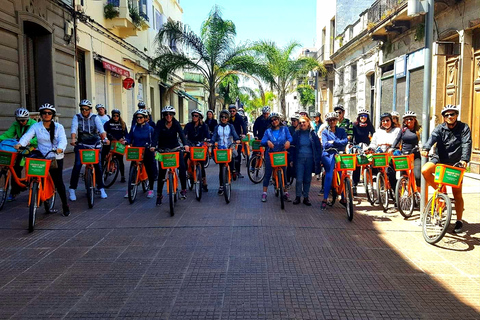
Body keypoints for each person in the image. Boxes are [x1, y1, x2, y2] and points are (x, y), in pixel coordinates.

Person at [421, 105, 472, 233]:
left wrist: (464, 160)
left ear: (456, 115)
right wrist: (426, 148)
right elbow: (432, 137)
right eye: (447, 115)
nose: (450, 117)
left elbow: (467, 143)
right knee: (425, 170)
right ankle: (442, 193)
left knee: (457, 193)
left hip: (456, 163)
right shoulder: (440, 128)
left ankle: (459, 221)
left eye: (452, 114)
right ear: (444, 117)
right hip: (439, 159)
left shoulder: (464, 128)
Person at [15, 104, 70, 216]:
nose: (46, 115)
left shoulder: (59, 127)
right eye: (44, 113)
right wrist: (20, 144)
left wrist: (60, 148)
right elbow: (27, 136)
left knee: (58, 182)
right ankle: (37, 190)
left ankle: (65, 205)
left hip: (55, 156)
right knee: (34, 172)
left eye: (49, 113)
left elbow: (63, 140)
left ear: (52, 115)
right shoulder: (36, 126)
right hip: (42, 155)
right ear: (41, 115)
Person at [69, 99, 108, 201]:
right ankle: (72, 189)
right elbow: (74, 129)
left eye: (86, 109)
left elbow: (101, 129)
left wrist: (105, 139)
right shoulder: (77, 117)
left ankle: (101, 188)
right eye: (82, 109)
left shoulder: (95, 117)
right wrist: (73, 139)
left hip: (95, 143)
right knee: (77, 165)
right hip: (82, 143)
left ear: (90, 109)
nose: (84, 111)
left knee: (98, 165)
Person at [152, 106, 189, 205]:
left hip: (175, 148)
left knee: (182, 167)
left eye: (170, 114)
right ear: (163, 115)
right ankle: (159, 195)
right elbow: (155, 135)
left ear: (173, 115)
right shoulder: (159, 123)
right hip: (161, 150)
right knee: (161, 172)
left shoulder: (176, 123)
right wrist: (153, 145)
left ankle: (184, 189)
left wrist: (185, 145)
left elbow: (181, 134)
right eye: (166, 114)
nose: (168, 116)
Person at [0, 108, 37, 201]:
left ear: (27, 119)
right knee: (15, 166)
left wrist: (30, 142)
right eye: (19, 120)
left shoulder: (34, 124)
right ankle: (15, 191)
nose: (21, 123)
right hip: (20, 147)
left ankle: (32, 183)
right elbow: (8, 134)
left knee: (28, 164)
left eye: (23, 120)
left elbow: (38, 138)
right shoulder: (16, 124)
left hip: (32, 147)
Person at [260, 112, 292, 202]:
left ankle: (285, 192)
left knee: (284, 172)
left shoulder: (285, 129)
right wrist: (267, 142)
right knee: (268, 173)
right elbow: (262, 141)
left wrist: (288, 142)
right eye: (272, 120)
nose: (274, 121)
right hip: (271, 154)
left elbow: (290, 138)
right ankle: (264, 193)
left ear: (279, 120)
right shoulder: (268, 131)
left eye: (276, 119)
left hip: (281, 153)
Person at [124, 109, 156, 199]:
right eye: (137, 117)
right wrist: (126, 141)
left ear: (146, 118)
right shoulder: (134, 128)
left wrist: (152, 147)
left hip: (147, 150)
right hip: (136, 150)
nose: (138, 119)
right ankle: (130, 188)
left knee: (150, 169)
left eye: (141, 117)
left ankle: (151, 189)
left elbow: (154, 140)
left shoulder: (150, 129)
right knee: (132, 169)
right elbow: (129, 137)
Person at [290, 116, 322, 205]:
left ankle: (306, 197)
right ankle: (298, 197)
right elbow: (292, 147)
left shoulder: (313, 134)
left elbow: (318, 147)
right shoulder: (296, 134)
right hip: (299, 159)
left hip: (310, 159)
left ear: (308, 123)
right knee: (299, 179)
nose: (302, 124)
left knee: (307, 179)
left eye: (304, 122)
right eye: (300, 123)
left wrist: (319, 159)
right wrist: (291, 159)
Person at [368, 112, 401, 194]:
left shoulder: (397, 130)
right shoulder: (378, 132)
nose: (385, 123)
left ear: (391, 121)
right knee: (371, 162)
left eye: (387, 120)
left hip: (391, 154)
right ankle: (379, 182)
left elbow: (399, 142)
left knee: (390, 172)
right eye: (383, 121)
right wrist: (370, 148)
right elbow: (373, 143)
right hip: (381, 154)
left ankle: (396, 193)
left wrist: (391, 146)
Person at [321, 112, 348, 210]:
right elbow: (325, 145)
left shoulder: (341, 130)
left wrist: (334, 142)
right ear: (328, 122)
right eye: (330, 120)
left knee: (342, 174)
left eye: (334, 120)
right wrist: (338, 144)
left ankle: (344, 197)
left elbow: (345, 141)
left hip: (339, 154)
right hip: (328, 154)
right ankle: (325, 199)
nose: (332, 122)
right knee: (329, 174)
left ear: (337, 121)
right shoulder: (325, 132)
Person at [210, 110, 240, 195]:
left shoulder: (231, 126)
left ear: (228, 118)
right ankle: (221, 186)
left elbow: (234, 134)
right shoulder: (217, 127)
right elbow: (214, 136)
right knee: (221, 167)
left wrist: (237, 139)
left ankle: (233, 170)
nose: (223, 118)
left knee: (232, 158)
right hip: (220, 148)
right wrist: (211, 142)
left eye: (225, 117)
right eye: (222, 117)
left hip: (229, 146)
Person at [392, 111, 421, 186]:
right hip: (404, 155)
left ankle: (418, 193)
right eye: (406, 119)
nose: (409, 121)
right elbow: (397, 139)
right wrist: (392, 148)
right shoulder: (403, 130)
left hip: (415, 155)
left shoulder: (419, 130)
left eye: (411, 119)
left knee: (417, 176)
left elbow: (424, 140)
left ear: (414, 120)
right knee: (403, 177)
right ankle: (403, 194)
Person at [184, 109, 210, 192]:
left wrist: (208, 141)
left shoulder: (204, 126)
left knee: (201, 164)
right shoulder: (188, 125)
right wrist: (184, 141)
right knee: (185, 157)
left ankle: (204, 182)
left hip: (200, 145)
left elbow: (207, 135)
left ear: (200, 117)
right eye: (193, 116)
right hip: (191, 144)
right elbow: (184, 134)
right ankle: (188, 172)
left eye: (196, 116)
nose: (194, 117)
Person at [352, 109, 375, 195]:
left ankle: (371, 180)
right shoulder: (355, 125)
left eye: (365, 116)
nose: (363, 118)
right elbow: (352, 135)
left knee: (370, 162)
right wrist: (351, 144)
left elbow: (374, 134)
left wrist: (372, 144)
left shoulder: (369, 125)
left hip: (366, 146)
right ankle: (354, 185)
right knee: (357, 166)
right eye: (361, 116)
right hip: (357, 146)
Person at [103, 108, 128, 183]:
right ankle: (103, 172)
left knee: (120, 160)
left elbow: (126, 134)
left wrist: (124, 139)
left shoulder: (123, 124)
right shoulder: (108, 123)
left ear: (119, 116)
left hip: (119, 144)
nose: (115, 117)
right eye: (114, 115)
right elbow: (104, 131)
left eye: (117, 115)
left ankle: (122, 176)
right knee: (104, 156)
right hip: (110, 142)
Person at [228, 104, 247, 178]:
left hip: (237, 138)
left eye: (233, 111)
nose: (232, 112)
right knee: (229, 155)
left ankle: (238, 172)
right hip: (229, 138)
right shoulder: (227, 117)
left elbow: (243, 125)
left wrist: (244, 134)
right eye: (230, 111)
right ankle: (229, 170)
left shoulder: (239, 117)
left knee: (238, 155)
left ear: (236, 111)